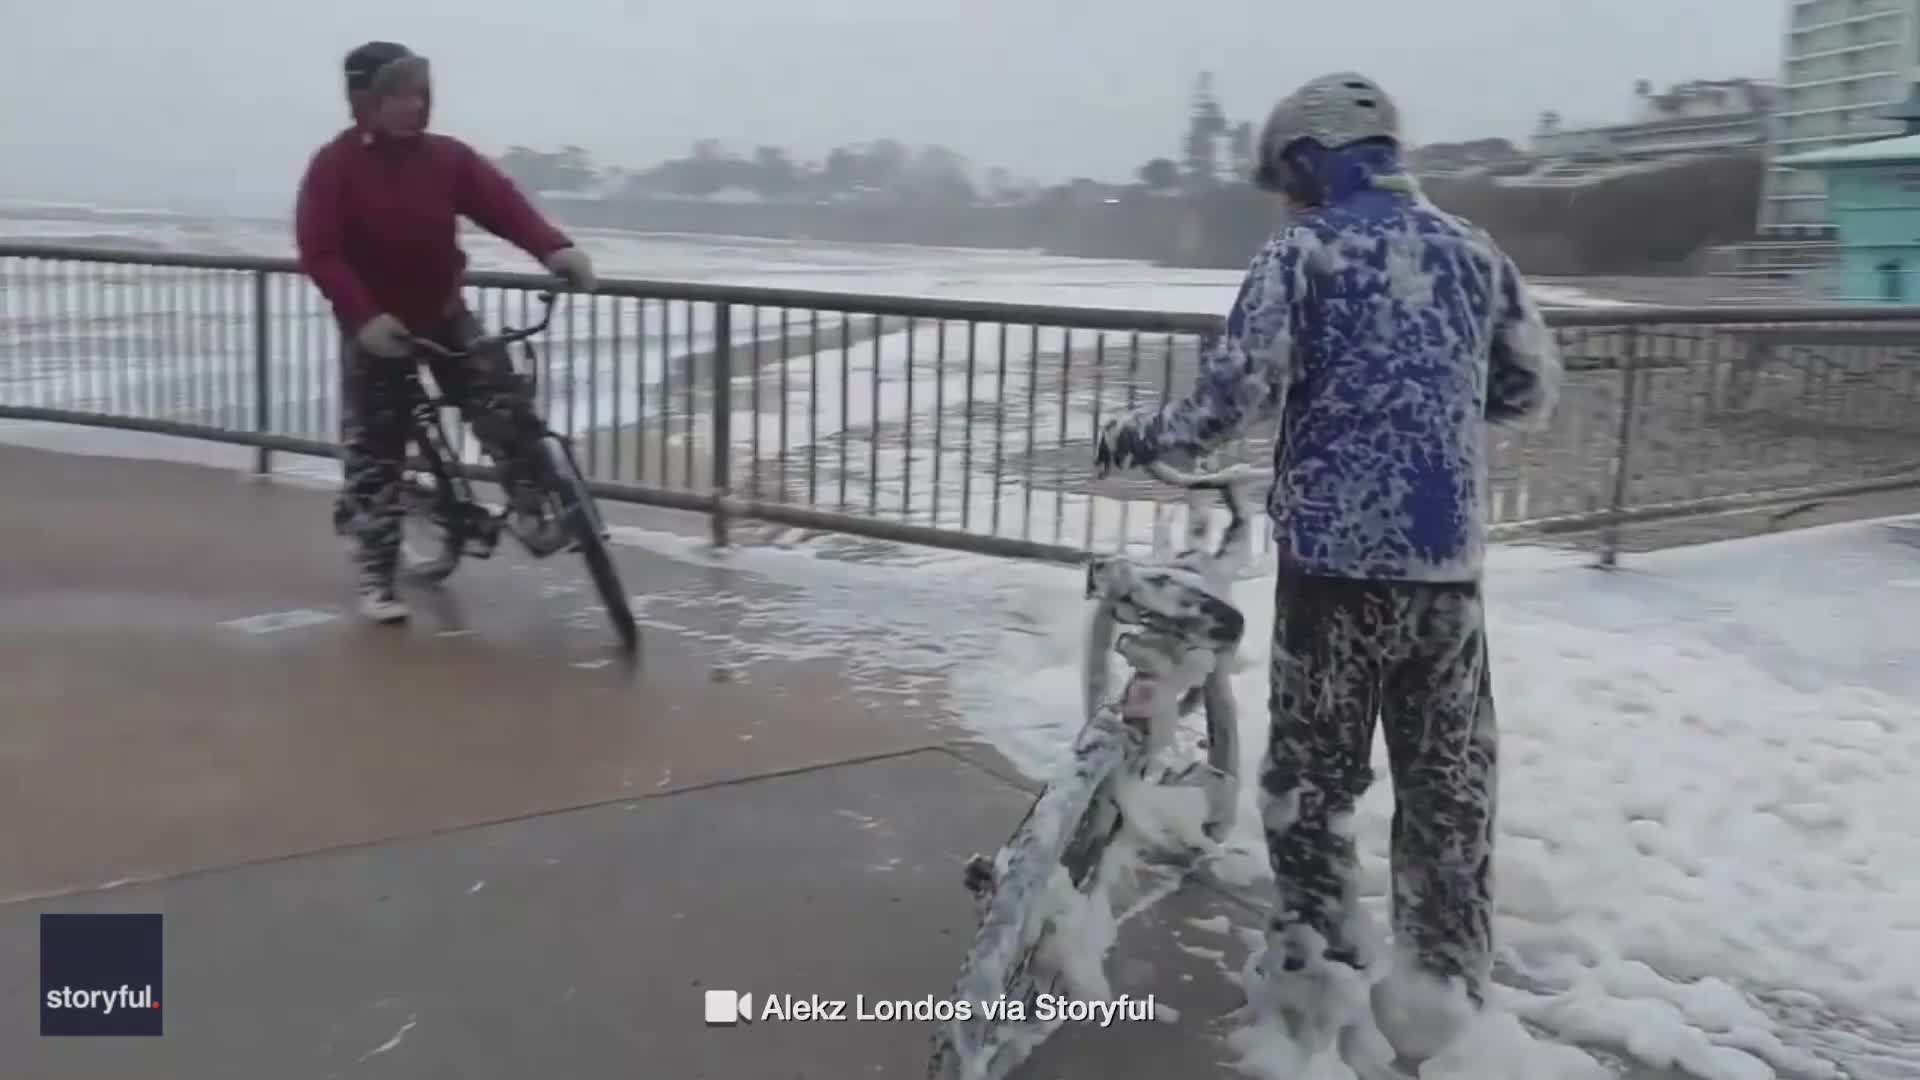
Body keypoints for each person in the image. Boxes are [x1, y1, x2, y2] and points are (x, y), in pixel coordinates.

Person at [1094, 72, 1560, 1064]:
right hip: (1444, 577)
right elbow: (1525, 387)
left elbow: (1226, 403)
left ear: (1312, 159)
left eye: (1287, 177)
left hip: (1333, 572)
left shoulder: (1303, 254)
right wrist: (1427, 419)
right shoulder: (1476, 253)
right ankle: (1444, 1002)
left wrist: (1145, 438)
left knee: (1313, 786)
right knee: (1447, 791)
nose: (1286, 197)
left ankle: (1314, 980)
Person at [294, 41, 597, 623]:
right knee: (377, 452)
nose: (412, 106)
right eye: (398, 95)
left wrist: (556, 250)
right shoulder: (333, 167)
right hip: (378, 327)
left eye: (418, 93)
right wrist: (364, 317)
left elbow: (504, 207)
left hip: (443, 310)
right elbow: (321, 252)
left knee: (504, 406)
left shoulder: (447, 159)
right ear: (365, 101)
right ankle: (377, 576)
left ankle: (532, 508)